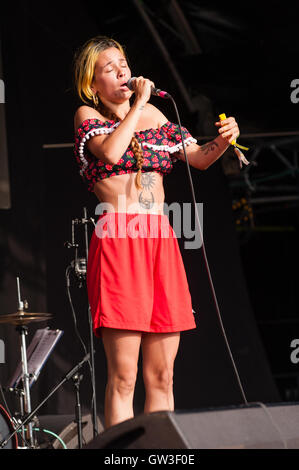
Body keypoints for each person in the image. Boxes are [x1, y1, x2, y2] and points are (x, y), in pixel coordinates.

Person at [73, 36, 240, 430]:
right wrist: (138, 106)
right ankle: (121, 457)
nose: (122, 71)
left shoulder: (157, 118)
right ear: (92, 82)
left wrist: (223, 140)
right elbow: (113, 153)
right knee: (124, 377)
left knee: (162, 375)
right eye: (109, 67)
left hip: (159, 240)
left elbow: (199, 159)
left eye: (124, 63)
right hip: (118, 239)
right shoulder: (87, 115)